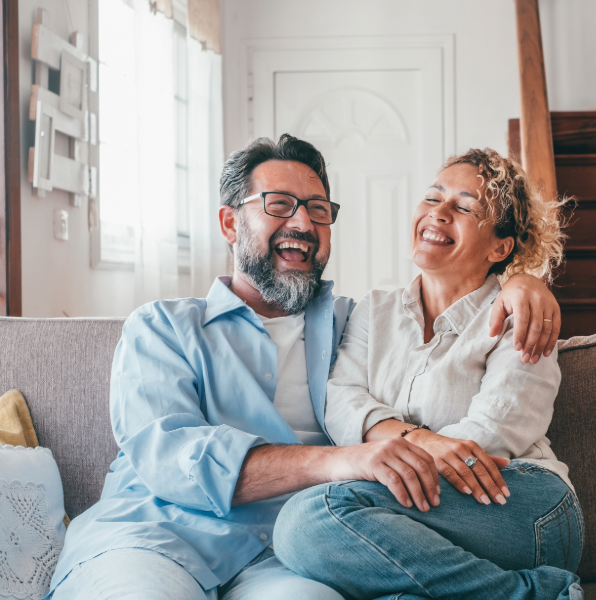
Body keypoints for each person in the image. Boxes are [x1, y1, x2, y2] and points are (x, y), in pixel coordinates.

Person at [46, 135, 563, 600]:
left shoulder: (352, 322)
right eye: (279, 205)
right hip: (153, 539)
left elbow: (459, 305)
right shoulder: (161, 328)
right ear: (230, 222)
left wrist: (523, 283)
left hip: (281, 558)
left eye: (318, 210)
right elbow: (172, 457)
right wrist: (343, 462)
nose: (302, 223)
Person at [273, 148, 584, 600]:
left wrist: (393, 451)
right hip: (423, 513)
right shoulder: (374, 310)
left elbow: (489, 437)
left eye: (463, 207)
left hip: (522, 501)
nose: (437, 213)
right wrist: (417, 441)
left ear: (500, 247)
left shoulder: (521, 314)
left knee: (308, 518)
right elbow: (341, 399)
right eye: (432, 198)